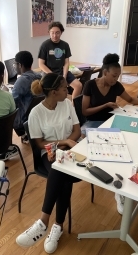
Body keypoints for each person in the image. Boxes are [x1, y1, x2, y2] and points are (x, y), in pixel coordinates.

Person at [16, 73, 81, 254]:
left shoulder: (67, 104)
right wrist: (63, 143)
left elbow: (77, 130)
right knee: (61, 172)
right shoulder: (36, 112)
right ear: (53, 92)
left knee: (62, 171)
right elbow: (38, 143)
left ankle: (44, 222)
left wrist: (68, 143)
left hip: (70, 151)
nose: (67, 90)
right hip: (49, 153)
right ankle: (56, 225)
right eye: (63, 88)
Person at [81, 53, 138, 214]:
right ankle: (119, 191)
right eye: (113, 76)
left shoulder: (116, 86)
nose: (115, 79)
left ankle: (120, 189)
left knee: (126, 146)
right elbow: (85, 111)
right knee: (114, 150)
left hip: (112, 122)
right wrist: (105, 105)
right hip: (93, 123)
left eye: (118, 76)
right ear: (105, 72)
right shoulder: (90, 85)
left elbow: (131, 100)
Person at [0, 51, 42, 161]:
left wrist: (4, 94)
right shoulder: (38, 76)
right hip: (34, 114)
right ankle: (26, 134)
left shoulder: (22, 80)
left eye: (15, 64)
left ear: (20, 65)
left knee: (3, 114)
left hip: (22, 118)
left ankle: (8, 149)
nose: (14, 66)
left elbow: (12, 101)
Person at [38, 21, 82, 100]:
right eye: (52, 33)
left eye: (57, 33)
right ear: (49, 33)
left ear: (61, 33)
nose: (55, 35)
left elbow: (66, 63)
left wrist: (64, 76)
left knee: (78, 85)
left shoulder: (65, 45)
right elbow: (41, 64)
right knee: (56, 92)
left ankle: (72, 107)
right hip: (49, 74)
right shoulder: (45, 45)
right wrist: (53, 75)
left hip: (62, 71)